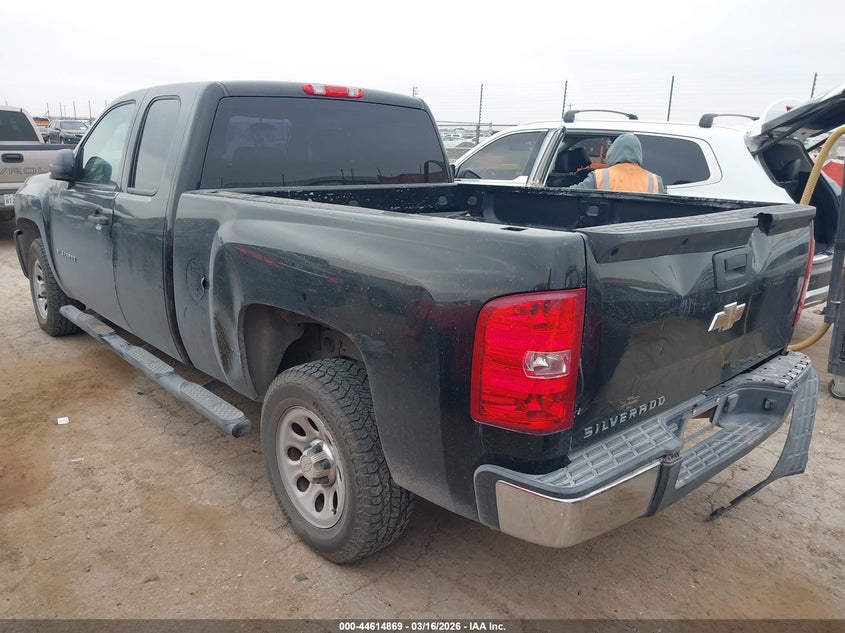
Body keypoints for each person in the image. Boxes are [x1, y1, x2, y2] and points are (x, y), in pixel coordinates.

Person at [571, 133, 666, 193]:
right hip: (641, 225)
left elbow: (570, 195)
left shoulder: (598, 176)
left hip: (604, 225)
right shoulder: (655, 181)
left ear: (612, 152)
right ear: (639, 153)